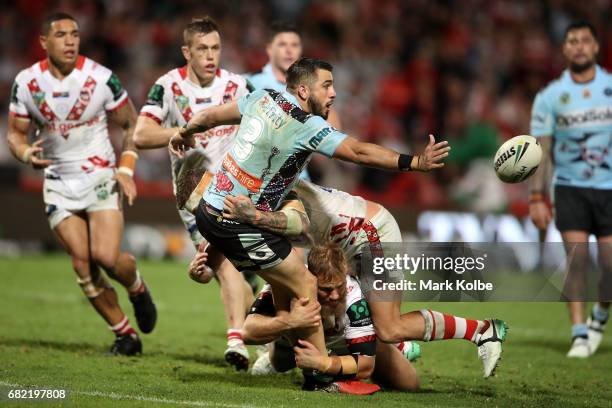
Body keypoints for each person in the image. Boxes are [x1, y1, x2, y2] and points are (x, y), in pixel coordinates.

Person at [169, 57, 450, 383]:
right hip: (234, 219)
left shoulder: (262, 97)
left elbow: (211, 116)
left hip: (215, 209)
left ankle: (282, 354)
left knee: (285, 283)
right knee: (306, 284)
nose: (333, 94)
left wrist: (185, 131)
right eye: (326, 85)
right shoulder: (307, 125)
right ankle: (317, 375)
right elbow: (358, 152)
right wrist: (414, 161)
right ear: (303, 89)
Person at [7, 13, 156, 355]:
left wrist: (127, 169)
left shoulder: (101, 78)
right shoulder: (27, 83)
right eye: (61, 35)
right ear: (44, 42)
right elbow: (15, 133)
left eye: (75, 34)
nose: (71, 40)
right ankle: (125, 336)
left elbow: (131, 123)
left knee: (105, 255)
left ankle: (136, 287)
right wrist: (26, 152)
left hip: (99, 174)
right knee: (81, 262)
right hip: (59, 182)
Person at [133, 16, 254, 369]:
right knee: (227, 267)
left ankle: (262, 331)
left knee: (242, 276)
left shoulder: (237, 85)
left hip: (236, 190)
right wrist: (178, 132)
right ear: (187, 51)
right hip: (195, 197)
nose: (210, 56)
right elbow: (141, 135)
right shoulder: (167, 87)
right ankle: (238, 340)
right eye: (202, 49)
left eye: (216, 48)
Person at [529, 21, 611, 358]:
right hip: (570, 188)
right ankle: (579, 332)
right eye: (572, 41)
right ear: (564, 49)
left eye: (584, 40)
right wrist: (537, 196)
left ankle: (601, 313)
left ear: (595, 47)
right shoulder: (549, 98)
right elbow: (542, 150)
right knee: (576, 262)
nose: (578, 46)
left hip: (608, 188)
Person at [243, 243, 420, 392]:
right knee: (280, 363)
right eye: (326, 289)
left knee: (409, 384)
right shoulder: (289, 284)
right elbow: (248, 332)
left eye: (339, 287)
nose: (335, 296)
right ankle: (270, 356)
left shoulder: (355, 299)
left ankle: (392, 345)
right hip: (294, 346)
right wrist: (290, 321)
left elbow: (365, 366)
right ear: (310, 280)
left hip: (347, 345)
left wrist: (324, 363)